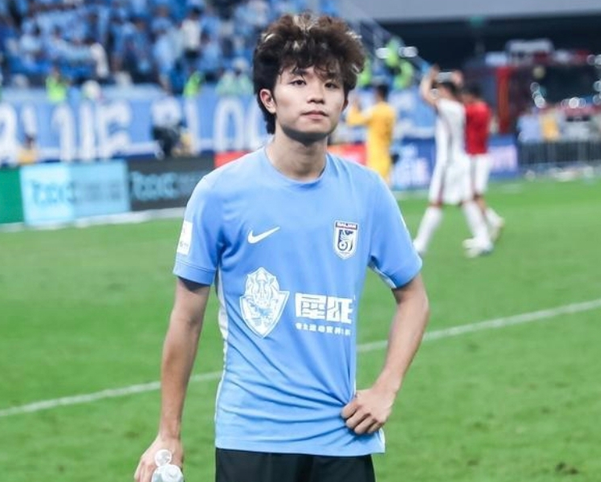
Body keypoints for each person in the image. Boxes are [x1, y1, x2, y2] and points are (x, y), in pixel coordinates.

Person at [134, 13, 430, 482]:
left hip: (342, 438)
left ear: (344, 101)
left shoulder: (368, 192)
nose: (317, 94)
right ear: (268, 99)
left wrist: (386, 388)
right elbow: (186, 319)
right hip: (253, 439)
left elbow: (414, 297)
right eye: (299, 81)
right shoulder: (219, 194)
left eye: (331, 84)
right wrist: (168, 433)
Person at [413, 66, 493, 258]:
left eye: (440, 89)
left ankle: (420, 244)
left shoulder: (448, 107)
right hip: (460, 160)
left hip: (448, 164)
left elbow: (424, 96)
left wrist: (428, 78)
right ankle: (484, 239)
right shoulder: (459, 107)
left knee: (435, 203)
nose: (438, 92)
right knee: (466, 201)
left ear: (447, 91)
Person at [460, 84, 505, 242]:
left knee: (473, 195)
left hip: (476, 157)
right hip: (481, 155)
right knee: (475, 195)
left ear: (471, 95)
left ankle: (492, 223)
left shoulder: (474, 110)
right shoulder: (485, 109)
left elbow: (457, 112)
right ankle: (491, 223)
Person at [346, 83, 396, 184]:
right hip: (386, 153)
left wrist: (355, 105)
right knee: (385, 186)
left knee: (375, 185)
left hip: (376, 154)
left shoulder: (375, 111)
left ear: (378, 94)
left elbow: (352, 121)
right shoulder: (391, 111)